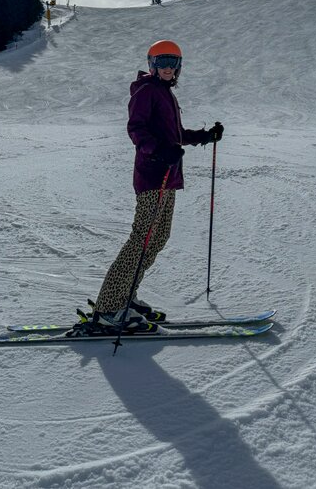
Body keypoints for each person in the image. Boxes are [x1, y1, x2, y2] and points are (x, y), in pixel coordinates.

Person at [81, 39, 224, 334]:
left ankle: (125, 295)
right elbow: (136, 129)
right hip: (152, 176)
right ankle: (108, 308)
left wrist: (205, 136)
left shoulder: (165, 93)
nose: (168, 67)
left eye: (173, 62)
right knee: (141, 240)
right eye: (162, 62)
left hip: (168, 177)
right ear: (152, 65)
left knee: (157, 239)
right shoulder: (146, 91)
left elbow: (176, 134)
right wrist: (157, 151)